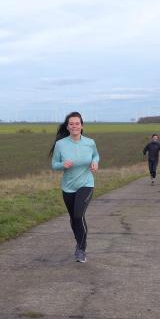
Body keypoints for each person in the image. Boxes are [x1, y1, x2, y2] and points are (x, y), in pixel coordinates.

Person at [49, 111, 99, 263]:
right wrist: (62, 165)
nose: (74, 126)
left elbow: (96, 155)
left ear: (82, 126)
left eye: (77, 123)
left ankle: (81, 249)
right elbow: (54, 164)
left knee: (78, 216)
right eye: (71, 124)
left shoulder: (90, 142)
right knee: (73, 218)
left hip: (86, 184)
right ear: (67, 127)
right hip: (68, 186)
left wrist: (95, 162)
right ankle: (79, 243)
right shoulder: (60, 144)